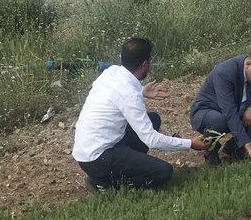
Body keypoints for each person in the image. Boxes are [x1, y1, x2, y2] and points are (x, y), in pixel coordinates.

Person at [72, 37, 207, 191]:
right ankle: (105, 183)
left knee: (153, 118)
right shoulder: (129, 94)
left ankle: (122, 167)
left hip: (88, 149)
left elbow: (119, 95)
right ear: (144, 64)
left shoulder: (112, 72)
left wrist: (141, 91)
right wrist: (190, 143)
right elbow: (151, 140)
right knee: (163, 172)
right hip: (98, 159)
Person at [189, 49, 251, 166]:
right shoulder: (224, 73)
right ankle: (211, 152)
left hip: (237, 110)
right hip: (208, 111)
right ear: (248, 64)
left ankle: (234, 147)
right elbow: (229, 112)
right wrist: (249, 146)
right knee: (220, 121)